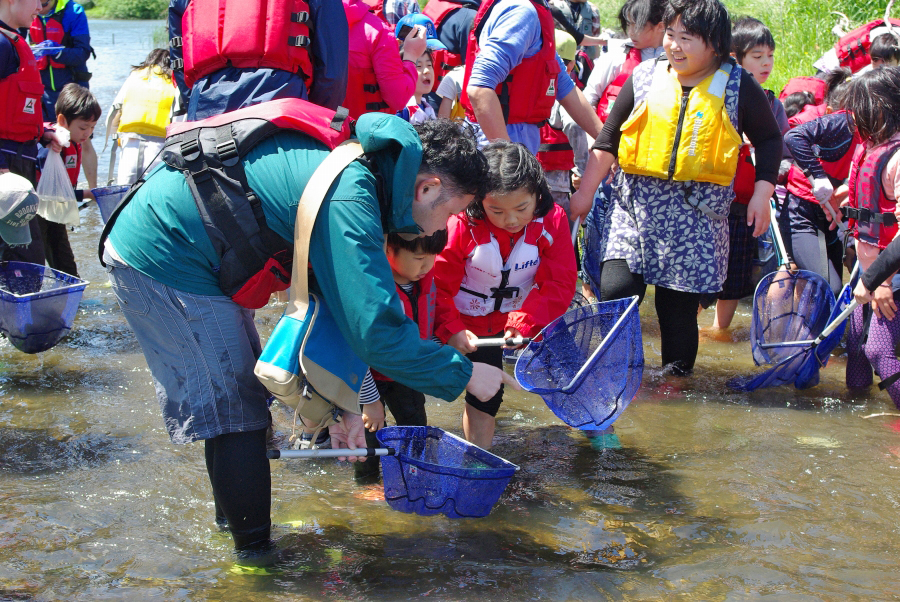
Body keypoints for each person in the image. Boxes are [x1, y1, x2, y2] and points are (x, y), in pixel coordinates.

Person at [100, 111, 516, 560]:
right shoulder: (351, 199)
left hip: (195, 252)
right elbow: (376, 334)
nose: (441, 231)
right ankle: (256, 563)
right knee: (236, 407)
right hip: (164, 255)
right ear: (427, 187)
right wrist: (465, 374)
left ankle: (233, 529)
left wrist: (344, 410)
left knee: (240, 401)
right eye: (449, 213)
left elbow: (335, 306)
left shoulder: (368, 177)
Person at [570, 0, 782, 375]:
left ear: (715, 44)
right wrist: (584, 194)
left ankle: (674, 389)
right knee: (616, 292)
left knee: (676, 313)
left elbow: (768, 140)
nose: (674, 45)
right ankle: (618, 375)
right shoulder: (645, 76)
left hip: (697, 219)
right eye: (670, 34)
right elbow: (608, 138)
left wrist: (763, 193)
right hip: (634, 208)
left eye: (687, 38)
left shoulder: (738, 85)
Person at [434, 141, 577, 448]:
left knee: (493, 393)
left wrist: (523, 323)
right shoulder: (460, 224)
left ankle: (477, 457)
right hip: (462, 320)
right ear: (478, 201)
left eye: (521, 209)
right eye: (496, 210)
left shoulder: (552, 221)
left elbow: (559, 284)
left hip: (512, 319)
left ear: (537, 195)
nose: (510, 220)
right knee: (468, 390)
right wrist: (453, 330)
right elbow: (436, 287)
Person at [709, 16, 790, 330]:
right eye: (757, 57)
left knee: (736, 270)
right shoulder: (719, 95)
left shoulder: (773, 104)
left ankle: (719, 329)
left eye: (770, 56)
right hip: (714, 198)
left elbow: (778, 150)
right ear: (736, 58)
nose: (766, 63)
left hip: (747, 202)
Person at [355, 228, 448, 480]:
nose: (427, 265)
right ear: (389, 251)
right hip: (369, 378)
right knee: (370, 432)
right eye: (419, 258)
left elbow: (427, 328)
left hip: (406, 376)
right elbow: (356, 350)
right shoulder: (374, 290)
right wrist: (370, 400)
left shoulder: (424, 284)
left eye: (432, 257)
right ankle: (366, 482)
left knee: (416, 425)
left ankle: (413, 474)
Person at [461, 0, 602, 154]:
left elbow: (564, 85)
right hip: (499, 146)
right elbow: (479, 88)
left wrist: (606, 143)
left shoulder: (535, 10)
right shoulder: (522, 11)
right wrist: (508, 159)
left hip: (511, 141)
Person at [168, 0, 348, 119]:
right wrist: (323, 120)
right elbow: (333, 75)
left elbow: (180, 65)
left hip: (204, 110)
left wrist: (197, 108)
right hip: (285, 108)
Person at [843, 68, 900, 408]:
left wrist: (878, 280)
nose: (854, 117)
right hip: (867, 271)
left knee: (880, 351)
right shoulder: (873, 148)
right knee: (856, 355)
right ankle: (857, 428)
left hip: (888, 279)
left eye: (859, 107)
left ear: (881, 106)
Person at [780, 69, 857, 298]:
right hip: (801, 213)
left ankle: (817, 332)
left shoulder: (867, 129)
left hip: (833, 217)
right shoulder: (825, 124)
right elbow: (790, 137)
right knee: (828, 287)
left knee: (837, 288)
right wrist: (820, 178)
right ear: (830, 113)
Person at [0, 0, 63, 265]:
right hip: (5, 168)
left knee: (26, 253)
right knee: (23, 257)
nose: (40, 6)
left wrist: (40, 135)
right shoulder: (2, 45)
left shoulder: (13, 41)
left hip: (20, 159)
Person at [29, 0, 96, 189]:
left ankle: (93, 192)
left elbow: (82, 52)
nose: (39, 6)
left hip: (71, 87)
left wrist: (57, 53)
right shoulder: (25, 9)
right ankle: (49, 187)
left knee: (83, 139)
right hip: (41, 89)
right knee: (45, 139)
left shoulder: (73, 11)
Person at [35, 82, 99, 277]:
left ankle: (72, 298)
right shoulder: (53, 147)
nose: (87, 133)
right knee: (37, 258)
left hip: (55, 209)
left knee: (64, 259)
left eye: (92, 127)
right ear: (62, 121)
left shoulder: (75, 141)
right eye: (83, 127)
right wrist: (86, 194)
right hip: (38, 212)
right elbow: (48, 192)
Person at [344, 0, 427, 120]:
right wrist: (411, 55)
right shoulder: (379, 32)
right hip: (365, 130)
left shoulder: (314, 18)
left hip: (321, 125)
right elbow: (398, 99)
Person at [107, 48, 176, 186]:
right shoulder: (173, 81)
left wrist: (117, 139)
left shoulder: (135, 76)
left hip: (130, 145)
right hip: (159, 149)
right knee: (153, 194)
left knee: (125, 194)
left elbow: (113, 115)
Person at [397, 48, 438, 123]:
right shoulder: (401, 110)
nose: (427, 71)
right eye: (418, 66)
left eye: (429, 65)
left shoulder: (427, 107)